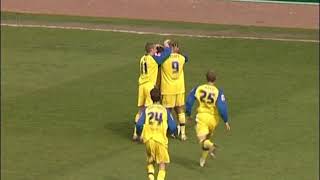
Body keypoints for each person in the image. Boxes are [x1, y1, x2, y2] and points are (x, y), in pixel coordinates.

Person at [185, 70, 231, 167]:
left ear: (206, 78)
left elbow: (189, 101)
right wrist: (226, 120)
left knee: (203, 141)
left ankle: (212, 147)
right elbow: (222, 107)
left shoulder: (198, 88)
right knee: (207, 139)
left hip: (202, 118)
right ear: (215, 79)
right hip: (213, 119)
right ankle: (203, 160)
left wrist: (188, 114)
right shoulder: (218, 91)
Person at [136, 87, 178, 180]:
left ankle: (151, 177)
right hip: (160, 140)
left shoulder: (147, 110)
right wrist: (172, 133)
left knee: (151, 161)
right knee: (162, 165)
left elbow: (139, 124)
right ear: (161, 97)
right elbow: (173, 127)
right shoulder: (164, 110)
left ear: (151, 97)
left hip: (148, 140)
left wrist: (139, 134)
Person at [132, 42, 171, 141]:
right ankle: (142, 135)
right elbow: (165, 56)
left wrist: (157, 48)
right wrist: (166, 47)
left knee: (140, 110)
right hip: (149, 86)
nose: (155, 50)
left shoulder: (142, 58)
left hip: (141, 85)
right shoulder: (153, 59)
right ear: (151, 50)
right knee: (148, 110)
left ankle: (135, 133)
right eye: (154, 49)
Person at [160, 40, 188, 140]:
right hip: (180, 88)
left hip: (168, 89)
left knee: (167, 111)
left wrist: (164, 48)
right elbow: (186, 57)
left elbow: (159, 59)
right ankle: (183, 134)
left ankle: (170, 131)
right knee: (180, 109)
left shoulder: (164, 58)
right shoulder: (181, 58)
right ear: (176, 48)